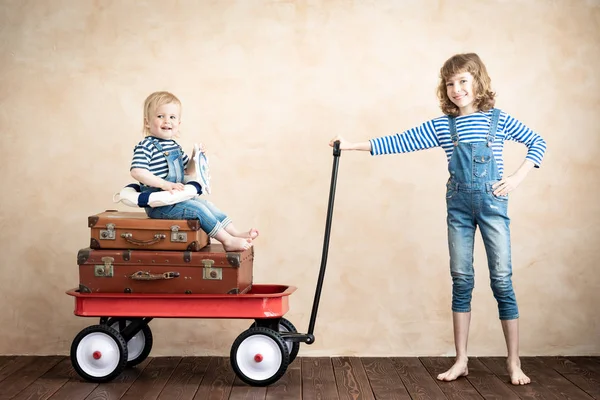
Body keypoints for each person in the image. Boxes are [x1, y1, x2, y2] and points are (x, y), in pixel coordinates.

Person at [330, 53, 546, 386]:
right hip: (458, 209)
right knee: (461, 280)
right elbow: (397, 141)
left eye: (463, 81)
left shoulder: (498, 120)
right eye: (450, 83)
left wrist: (516, 179)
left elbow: (538, 142)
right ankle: (461, 360)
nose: (456, 89)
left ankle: (514, 362)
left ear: (478, 82)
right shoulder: (443, 126)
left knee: (502, 281)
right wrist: (350, 146)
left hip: (493, 208)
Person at [130, 91, 258, 251]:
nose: (167, 121)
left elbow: (187, 171)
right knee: (198, 210)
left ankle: (235, 233)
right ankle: (226, 241)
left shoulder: (174, 146)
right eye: (160, 116)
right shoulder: (146, 146)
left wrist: (195, 157)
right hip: (159, 205)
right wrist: (164, 184)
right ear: (147, 122)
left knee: (206, 205)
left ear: (179, 123)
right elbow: (137, 171)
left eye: (172, 117)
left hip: (175, 200)